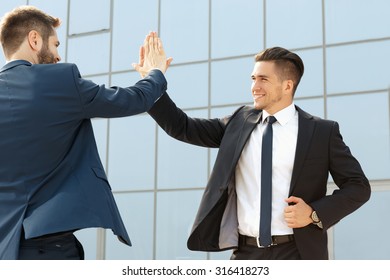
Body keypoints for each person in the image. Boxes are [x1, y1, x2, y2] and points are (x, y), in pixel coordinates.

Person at [145, 46, 371, 259]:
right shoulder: (238, 122)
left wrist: (313, 213)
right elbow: (183, 127)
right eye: (254, 78)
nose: (255, 86)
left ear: (287, 86)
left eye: (263, 79)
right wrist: (152, 83)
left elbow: (358, 187)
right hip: (246, 254)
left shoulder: (322, 132)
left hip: (299, 254)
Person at [0, 6, 171, 260]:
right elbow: (131, 100)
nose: (58, 55)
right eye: (55, 44)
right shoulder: (59, 80)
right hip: (50, 249)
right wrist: (155, 73)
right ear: (34, 39)